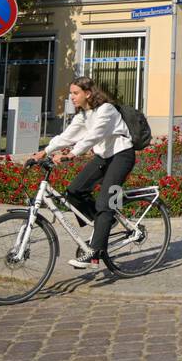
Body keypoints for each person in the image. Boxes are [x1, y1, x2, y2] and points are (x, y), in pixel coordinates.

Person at [40, 76, 136, 269]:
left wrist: (73, 154)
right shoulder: (83, 115)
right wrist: (44, 151)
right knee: (74, 191)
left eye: (75, 93)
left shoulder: (106, 110)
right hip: (103, 157)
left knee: (105, 202)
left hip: (122, 156)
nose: (72, 97)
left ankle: (95, 251)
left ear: (88, 93)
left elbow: (94, 136)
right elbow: (67, 136)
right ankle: (103, 223)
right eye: (71, 93)